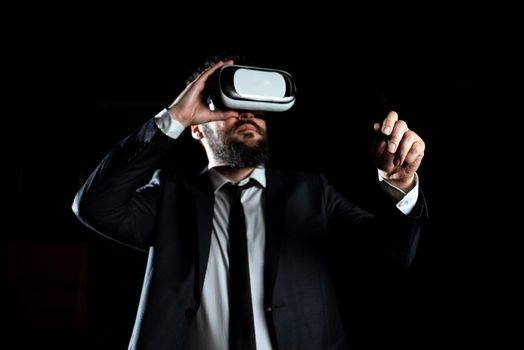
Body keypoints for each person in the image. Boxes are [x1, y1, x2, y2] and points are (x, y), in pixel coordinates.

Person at [72, 56, 428, 350]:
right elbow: (95, 206)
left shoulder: (311, 193)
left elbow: (393, 254)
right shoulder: (168, 196)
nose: (247, 114)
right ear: (197, 128)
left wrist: (398, 184)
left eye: (257, 109)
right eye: (232, 105)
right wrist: (175, 117)